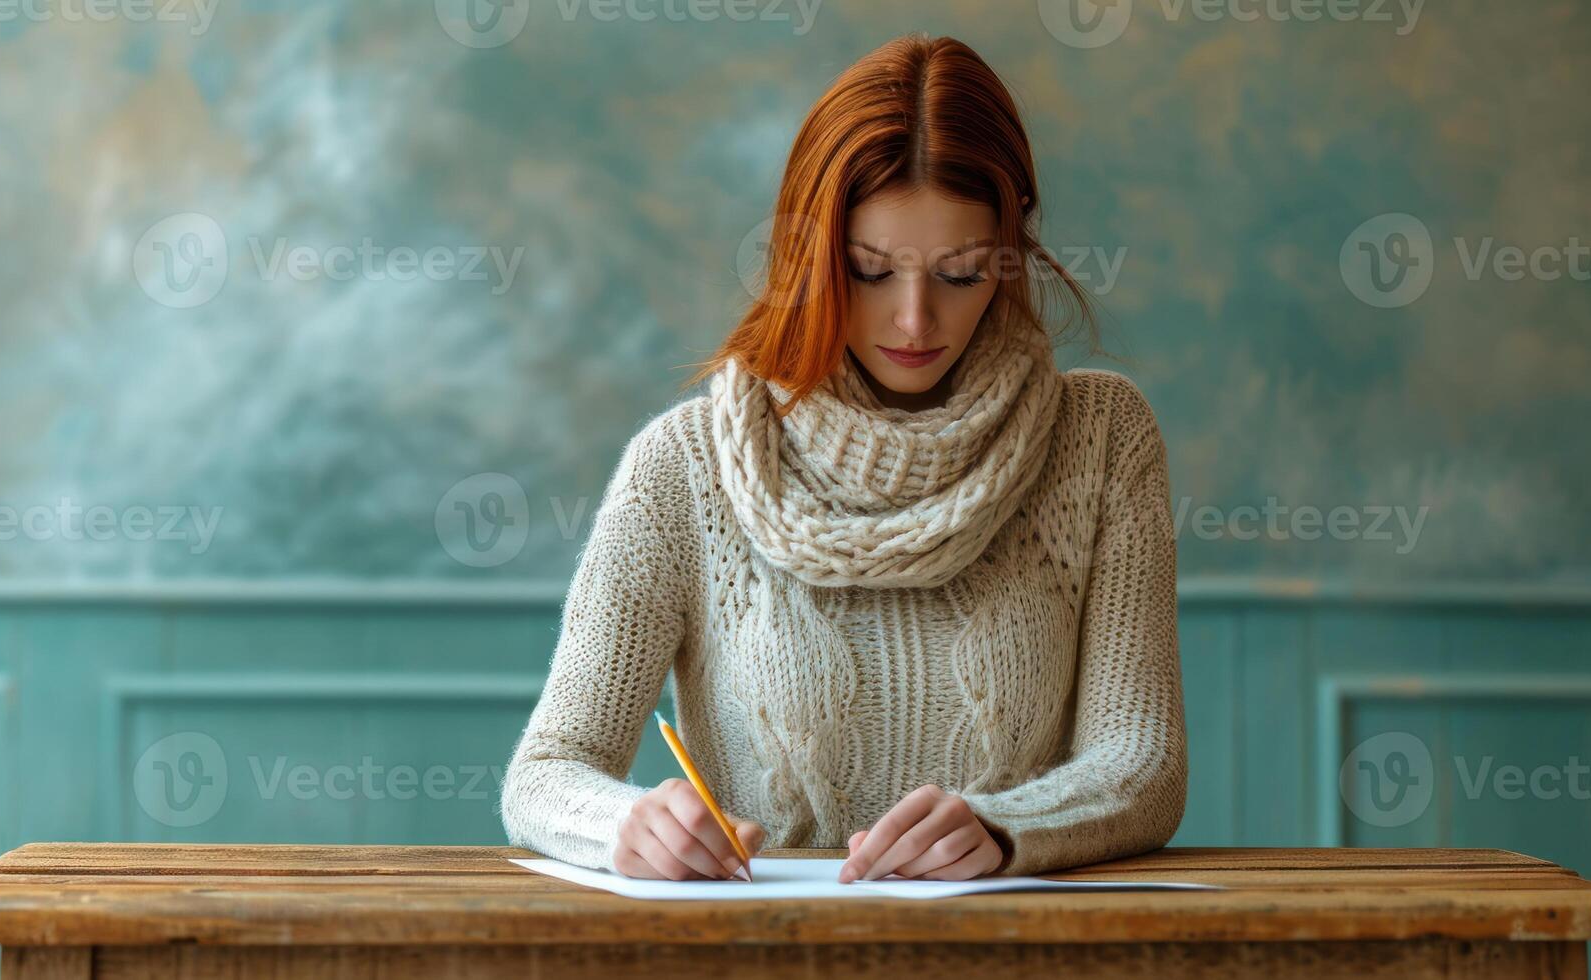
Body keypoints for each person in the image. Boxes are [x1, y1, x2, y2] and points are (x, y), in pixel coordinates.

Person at [500, 34, 1186, 883]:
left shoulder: (1102, 437)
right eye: (868, 272)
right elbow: (549, 769)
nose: (913, 321)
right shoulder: (682, 465)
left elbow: (1141, 764)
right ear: (808, 258)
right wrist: (626, 825)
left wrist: (1003, 830)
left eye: (962, 274)